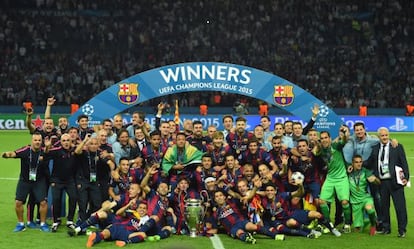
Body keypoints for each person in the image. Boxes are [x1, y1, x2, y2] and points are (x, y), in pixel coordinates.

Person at [2, 133, 50, 232]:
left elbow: (51, 154)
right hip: (24, 181)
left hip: (39, 181)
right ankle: (20, 224)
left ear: (41, 142)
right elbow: (14, 153)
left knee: (43, 202)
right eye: (35, 140)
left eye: (39, 140)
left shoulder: (44, 152)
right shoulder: (25, 150)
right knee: (18, 202)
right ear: (32, 141)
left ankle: (43, 223)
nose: (37, 142)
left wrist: (48, 146)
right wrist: (6, 155)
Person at [367, 127, 409, 237]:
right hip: (382, 183)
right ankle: (386, 228)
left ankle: (402, 230)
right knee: (384, 207)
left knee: (400, 207)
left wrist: (406, 177)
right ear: (379, 137)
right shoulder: (375, 148)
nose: (385, 137)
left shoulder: (397, 146)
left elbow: (404, 163)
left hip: (395, 181)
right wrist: (355, 164)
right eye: (382, 135)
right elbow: (369, 162)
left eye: (386, 135)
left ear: (389, 135)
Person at [313, 129, 351, 236]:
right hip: (330, 178)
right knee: (322, 202)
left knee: (344, 202)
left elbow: (344, 140)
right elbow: (315, 153)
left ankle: (347, 224)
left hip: (342, 178)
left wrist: (344, 134)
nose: (324, 140)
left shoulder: (336, 146)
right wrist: (316, 144)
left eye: (326, 138)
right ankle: (328, 223)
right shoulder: (320, 150)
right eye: (322, 138)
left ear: (330, 139)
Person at [44, 133, 79, 232]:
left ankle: (70, 220)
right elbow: (46, 154)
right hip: (57, 180)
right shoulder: (56, 151)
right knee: (56, 199)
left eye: (68, 140)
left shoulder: (75, 151)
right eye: (64, 141)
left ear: (71, 141)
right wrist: (47, 147)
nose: (66, 143)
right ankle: (56, 221)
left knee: (73, 197)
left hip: (70, 180)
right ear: (61, 142)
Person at [348, 155, 380, 236]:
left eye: (360, 162)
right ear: (352, 163)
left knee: (369, 209)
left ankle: (373, 225)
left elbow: (378, 182)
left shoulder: (365, 171)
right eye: (356, 162)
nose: (359, 164)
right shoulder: (348, 172)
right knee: (357, 230)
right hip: (355, 201)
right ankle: (368, 221)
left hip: (365, 198)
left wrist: (375, 180)